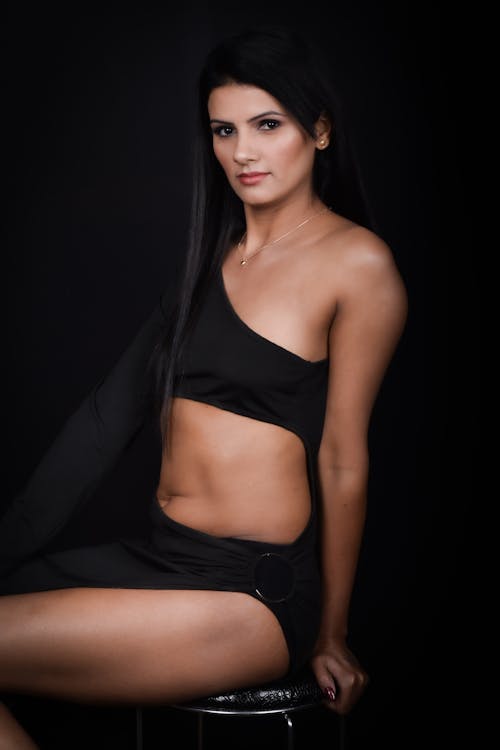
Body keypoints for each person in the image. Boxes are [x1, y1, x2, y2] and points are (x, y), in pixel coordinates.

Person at [0, 25, 407, 747]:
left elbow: (343, 460)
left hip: (247, 590)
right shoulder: (208, 263)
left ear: (318, 131)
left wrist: (334, 633)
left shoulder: (356, 264)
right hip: (158, 560)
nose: (242, 151)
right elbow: (104, 419)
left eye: (267, 125)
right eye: (224, 129)